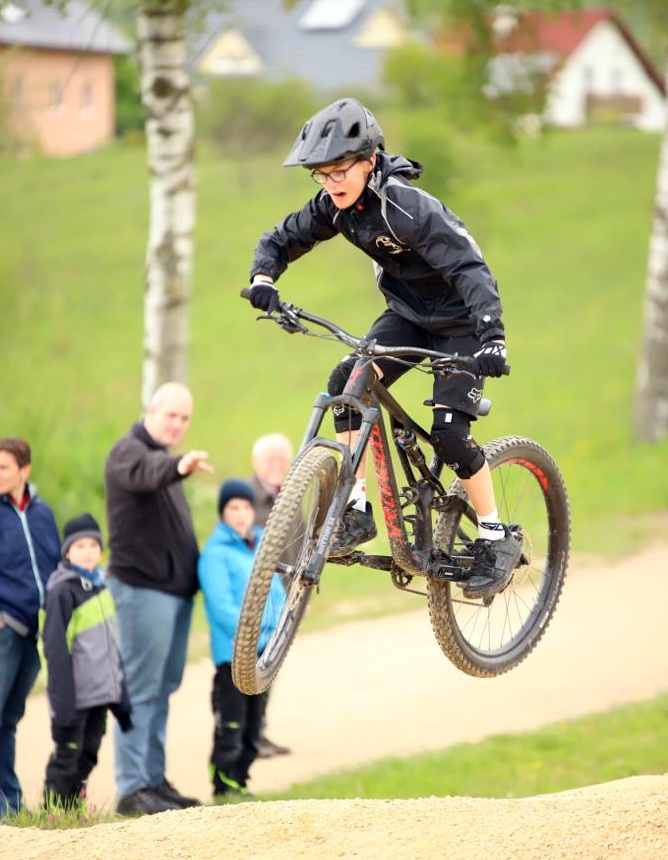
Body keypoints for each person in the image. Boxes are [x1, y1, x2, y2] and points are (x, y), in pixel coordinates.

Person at [246, 97, 521, 600]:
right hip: (408, 320)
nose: (331, 183)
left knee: (450, 436)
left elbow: (470, 269)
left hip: (460, 324)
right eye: (322, 175)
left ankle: (494, 534)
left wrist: (492, 337)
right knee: (345, 385)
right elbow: (281, 238)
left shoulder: (407, 207)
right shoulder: (335, 206)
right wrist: (264, 278)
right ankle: (355, 509)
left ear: (369, 160)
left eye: (339, 171)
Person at [104, 382, 213, 816]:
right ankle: (133, 788)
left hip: (171, 592)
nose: (178, 424)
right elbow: (148, 472)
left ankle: (153, 779)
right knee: (141, 690)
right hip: (142, 590)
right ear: (151, 410)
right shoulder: (129, 452)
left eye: (185, 418)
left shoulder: (162, 460)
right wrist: (180, 468)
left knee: (161, 689)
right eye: (171, 415)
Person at [198, 479, 285, 802]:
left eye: (245, 507)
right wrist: (255, 631)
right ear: (223, 513)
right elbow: (222, 608)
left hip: (263, 655)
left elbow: (277, 591)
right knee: (231, 726)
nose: (240, 514)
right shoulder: (215, 554)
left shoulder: (262, 545)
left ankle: (241, 782)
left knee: (253, 725)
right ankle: (223, 785)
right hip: (233, 658)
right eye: (232, 508)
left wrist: (274, 629)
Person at [41, 513, 132, 809]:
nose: (88, 551)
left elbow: (111, 647)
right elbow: (55, 651)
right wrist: (63, 702)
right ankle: (53, 812)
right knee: (67, 756)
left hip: (99, 694)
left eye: (93, 545)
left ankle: (72, 809)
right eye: (79, 546)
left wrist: (121, 696)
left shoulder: (100, 588)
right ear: (67, 552)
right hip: (75, 696)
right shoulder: (61, 592)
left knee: (89, 753)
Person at [0, 437, 61, 817]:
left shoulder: (42, 513)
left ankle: (10, 803)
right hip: (6, 627)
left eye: (4, 467)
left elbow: (53, 562)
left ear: (25, 469)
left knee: (8, 719)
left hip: (35, 632)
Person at [249, 433, 293, 759]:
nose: (277, 465)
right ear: (256, 463)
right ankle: (246, 739)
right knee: (248, 669)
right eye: (270, 459)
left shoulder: (291, 497)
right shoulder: (245, 499)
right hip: (255, 603)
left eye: (282, 459)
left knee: (269, 667)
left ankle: (259, 733)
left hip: (284, 600)